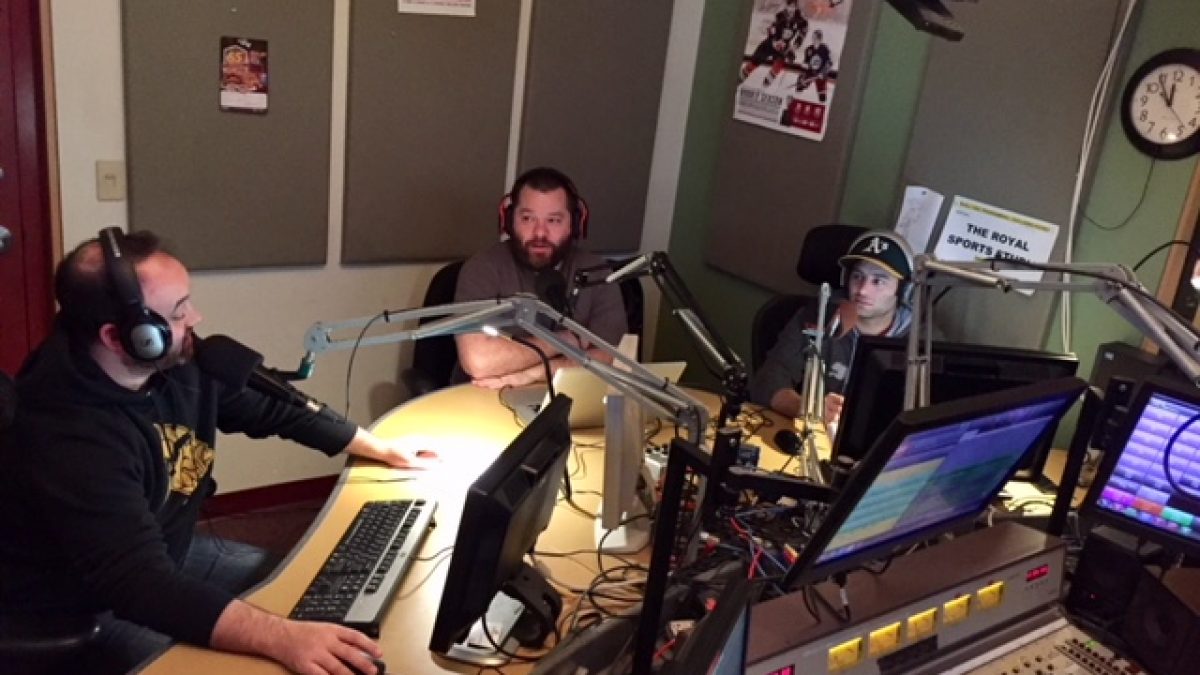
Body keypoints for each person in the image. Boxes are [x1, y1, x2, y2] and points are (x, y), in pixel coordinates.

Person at [0, 229, 434, 675]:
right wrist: (281, 637)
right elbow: (139, 583)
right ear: (123, 338)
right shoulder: (67, 432)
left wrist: (377, 447)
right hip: (87, 603)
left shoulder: (174, 361)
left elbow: (272, 409)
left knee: (309, 593)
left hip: (165, 551)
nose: (195, 317)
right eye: (178, 312)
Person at [454, 167, 627, 389]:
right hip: (488, 395)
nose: (540, 233)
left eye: (553, 220)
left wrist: (532, 374)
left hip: (573, 393)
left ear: (575, 224)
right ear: (508, 220)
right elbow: (478, 361)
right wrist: (564, 340)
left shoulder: (597, 272)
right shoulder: (482, 269)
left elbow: (614, 359)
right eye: (527, 218)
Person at [749, 230, 916, 428]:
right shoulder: (817, 316)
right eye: (857, 276)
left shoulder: (920, 343)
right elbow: (767, 381)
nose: (862, 290)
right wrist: (807, 407)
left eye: (878, 281)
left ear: (904, 289)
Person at [739, 0, 808, 88]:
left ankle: (769, 78)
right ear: (786, 6)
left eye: (793, 7)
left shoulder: (801, 20)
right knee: (757, 58)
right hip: (772, 42)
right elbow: (771, 29)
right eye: (789, 6)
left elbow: (802, 35)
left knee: (784, 59)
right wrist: (774, 40)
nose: (791, 9)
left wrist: (794, 47)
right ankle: (743, 75)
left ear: (796, 7)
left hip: (784, 45)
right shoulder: (779, 15)